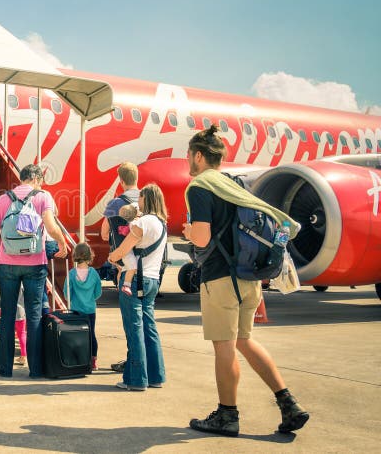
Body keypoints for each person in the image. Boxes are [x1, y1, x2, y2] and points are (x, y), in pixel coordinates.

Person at [183, 126, 309, 437]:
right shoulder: (233, 184)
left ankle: (227, 415)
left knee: (224, 346)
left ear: (198, 156)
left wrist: (187, 232)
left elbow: (202, 236)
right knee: (244, 341)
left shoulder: (200, 186)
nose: (188, 160)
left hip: (221, 280)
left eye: (189, 155)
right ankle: (288, 403)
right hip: (249, 277)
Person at [0, 164, 68, 378]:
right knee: (34, 316)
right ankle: (36, 369)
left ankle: (4, 369)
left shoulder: (4, 200)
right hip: (34, 264)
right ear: (37, 179)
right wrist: (61, 242)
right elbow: (51, 227)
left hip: (8, 265)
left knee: (7, 315)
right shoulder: (43, 197)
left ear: (21, 179)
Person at [108, 183, 168, 391]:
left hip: (134, 281)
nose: (138, 201)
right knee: (149, 327)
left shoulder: (143, 222)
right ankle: (155, 376)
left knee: (134, 329)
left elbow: (123, 249)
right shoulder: (162, 223)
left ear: (146, 199)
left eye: (141, 197)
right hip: (152, 279)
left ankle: (135, 379)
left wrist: (112, 257)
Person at [63, 243, 102, 370]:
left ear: (75, 256)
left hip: (76, 310)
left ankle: (78, 359)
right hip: (90, 310)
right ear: (90, 255)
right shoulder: (94, 273)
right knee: (91, 334)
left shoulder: (72, 273)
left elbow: (66, 293)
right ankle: (93, 360)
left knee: (77, 335)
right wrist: (90, 299)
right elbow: (98, 293)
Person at [101, 161, 140, 250]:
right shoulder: (149, 200)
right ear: (136, 179)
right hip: (146, 256)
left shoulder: (115, 203)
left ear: (121, 181)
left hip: (122, 256)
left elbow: (104, 234)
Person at [114, 204, 139, 297]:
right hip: (127, 252)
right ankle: (126, 285)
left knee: (121, 269)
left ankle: (119, 285)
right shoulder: (131, 225)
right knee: (133, 267)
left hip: (125, 252)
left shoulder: (121, 225)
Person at [14, 287, 27, 366]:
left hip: (15, 310)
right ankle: (23, 355)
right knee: (22, 333)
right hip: (22, 311)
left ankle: (23, 356)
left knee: (19, 334)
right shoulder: (24, 284)